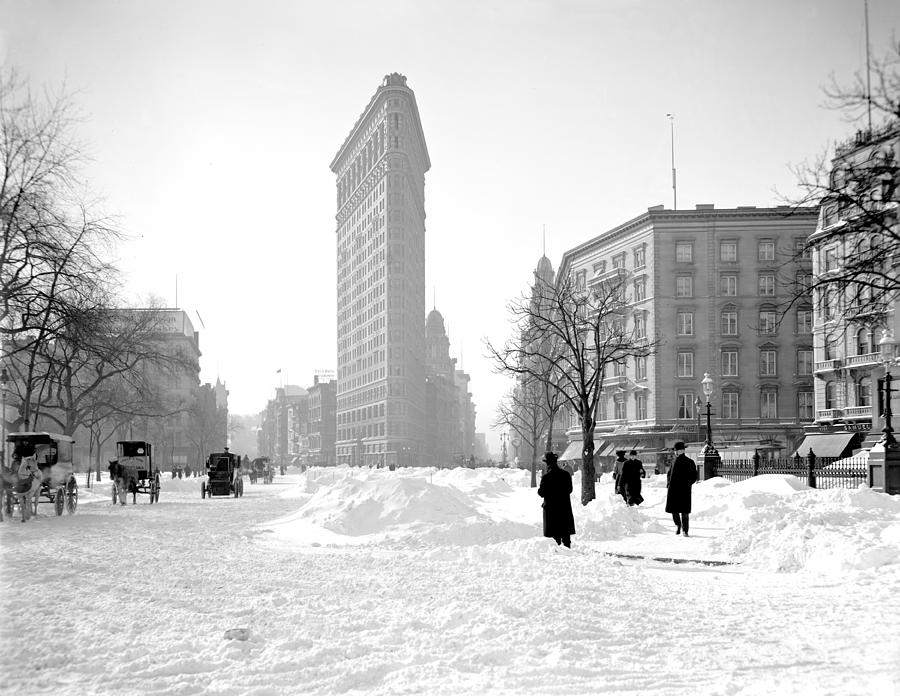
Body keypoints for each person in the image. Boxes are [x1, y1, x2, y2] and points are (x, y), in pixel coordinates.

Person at [537, 451, 576, 548]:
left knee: (555, 538)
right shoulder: (566, 474)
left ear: (547, 463)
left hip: (551, 509)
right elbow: (570, 490)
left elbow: (541, 493)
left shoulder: (546, 477)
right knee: (566, 534)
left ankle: (558, 554)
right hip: (564, 507)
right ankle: (568, 551)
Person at [665, 441, 698, 536]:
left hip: (684, 490)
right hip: (673, 489)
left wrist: (687, 484)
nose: (675, 452)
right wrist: (668, 484)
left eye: (677, 450)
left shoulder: (689, 462)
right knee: (674, 510)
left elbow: (694, 476)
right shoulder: (673, 460)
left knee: (684, 511)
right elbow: (669, 474)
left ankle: (685, 530)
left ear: (682, 450)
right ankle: (678, 525)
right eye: (675, 450)